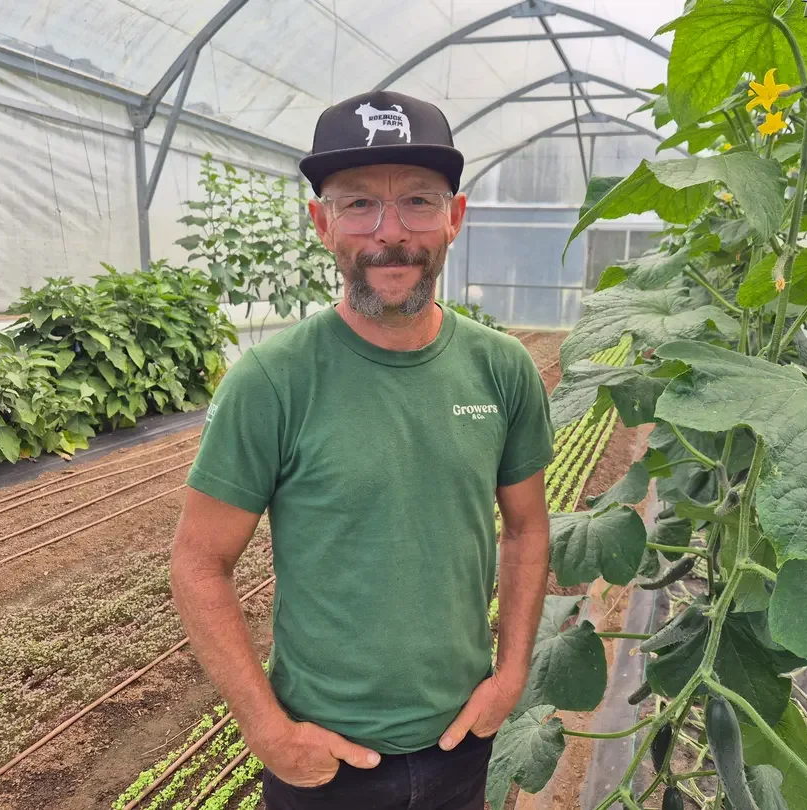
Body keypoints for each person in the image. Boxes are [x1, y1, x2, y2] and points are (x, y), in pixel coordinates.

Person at [170, 89, 555, 810]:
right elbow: (198, 562)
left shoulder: (502, 369)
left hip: (461, 746)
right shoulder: (274, 381)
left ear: (455, 219)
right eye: (357, 205)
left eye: (417, 200)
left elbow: (529, 528)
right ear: (322, 223)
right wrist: (269, 732)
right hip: (324, 761)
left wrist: (509, 679)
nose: (390, 233)